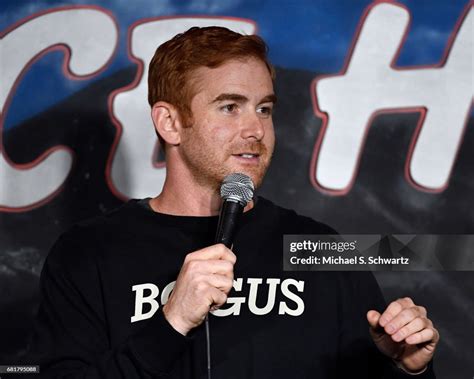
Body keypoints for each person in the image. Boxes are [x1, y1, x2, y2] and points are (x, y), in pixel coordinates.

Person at [29, 26, 439, 378]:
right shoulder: (88, 254)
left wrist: (407, 369)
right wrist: (171, 322)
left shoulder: (320, 248)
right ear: (170, 122)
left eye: (264, 109)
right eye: (230, 107)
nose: (256, 129)